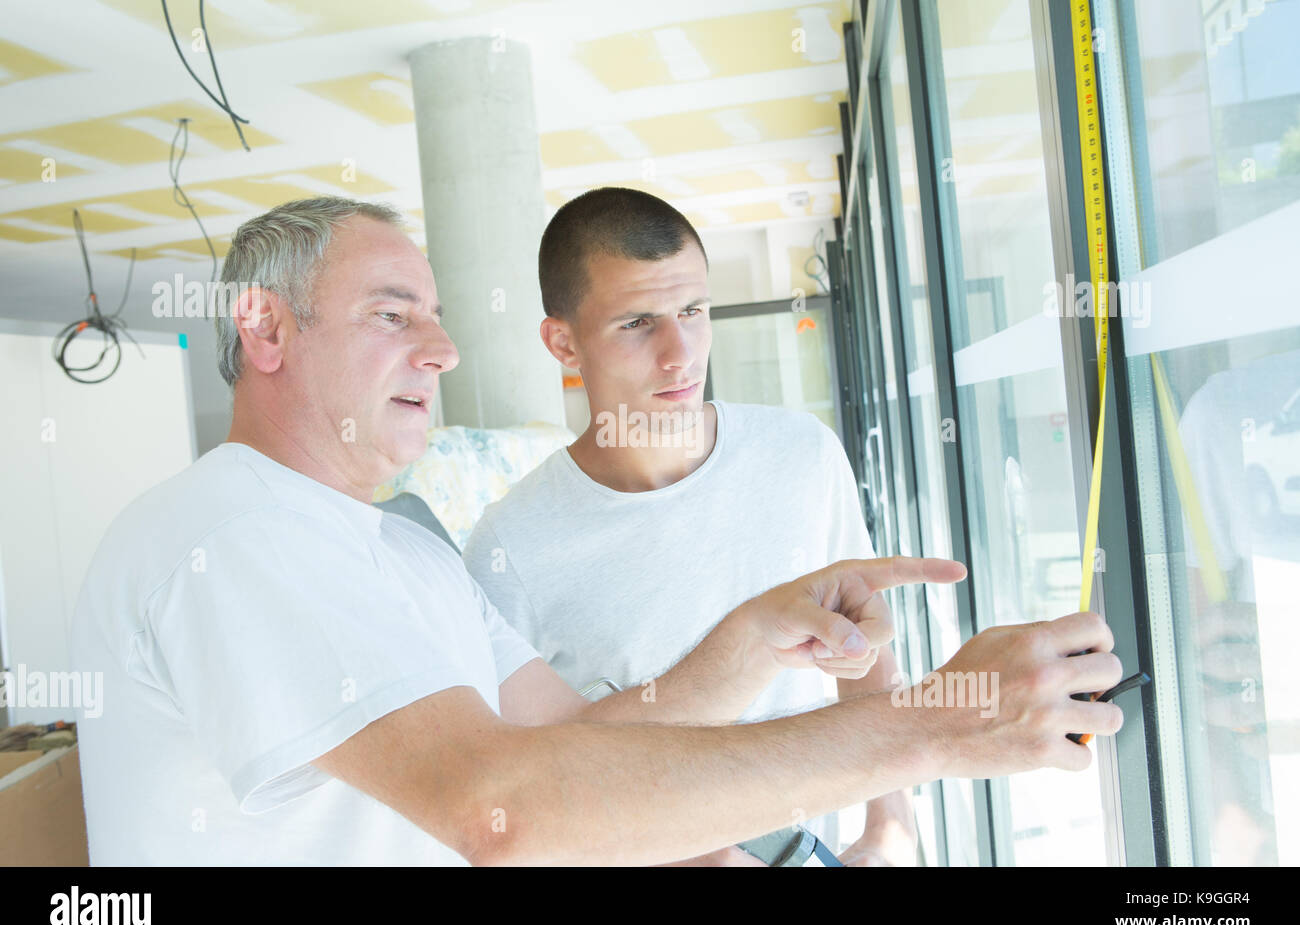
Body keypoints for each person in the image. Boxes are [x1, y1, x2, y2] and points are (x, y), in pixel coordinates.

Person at [69, 196, 1124, 866]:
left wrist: (747, 639)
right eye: (394, 313)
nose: (440, 349)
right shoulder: (238, 526)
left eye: (436, 317)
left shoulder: (399, 552)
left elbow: (581, 745)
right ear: (265, 328)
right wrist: (935, 726)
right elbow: (504, 812)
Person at [463, 187, 910, 865]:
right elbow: (525, 790)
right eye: (638, 322)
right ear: (563, 342)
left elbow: (863, 649)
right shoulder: (510, 547)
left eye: (693, 311)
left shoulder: (802, 454)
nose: (681, 353)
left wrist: (889, 829)